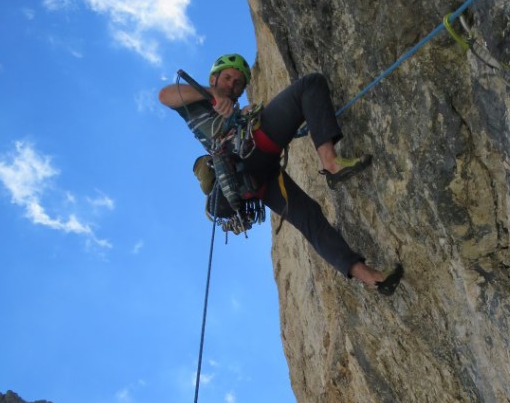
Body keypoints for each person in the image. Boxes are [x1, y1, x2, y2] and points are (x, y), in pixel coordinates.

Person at [158, 54, 403, 294]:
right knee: (310, 85)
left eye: (238, 83)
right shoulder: (196, 101)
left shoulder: (234, 110)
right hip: (248, 153)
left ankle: (372, 279)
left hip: (259, 177)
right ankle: (331, 163)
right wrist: (214, 94)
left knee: (311, 219)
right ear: (213, 79)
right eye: (227, 78)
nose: (231, 85)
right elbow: (165, 95)